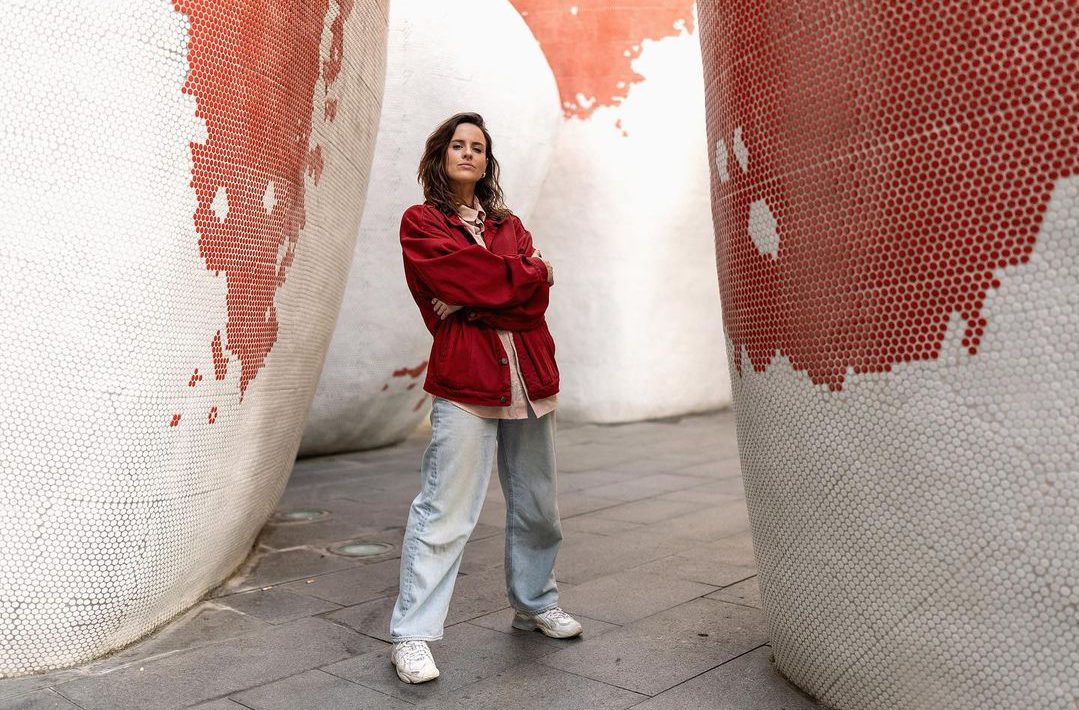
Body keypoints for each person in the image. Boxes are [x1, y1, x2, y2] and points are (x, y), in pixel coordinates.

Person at [388, 112, 582, 684]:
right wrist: (522, 276)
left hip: (530, 381)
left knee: (538, 507)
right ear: (441, 155)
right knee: (444, 511)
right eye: (458, 145)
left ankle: (536, 603)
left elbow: (531, 301)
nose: (468, 153)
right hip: (466, 384)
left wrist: (478, 299)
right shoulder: (420, 224)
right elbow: (458, 280)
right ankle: (413, 636)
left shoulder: (509, 224)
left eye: (478, 146)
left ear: (486, 159)